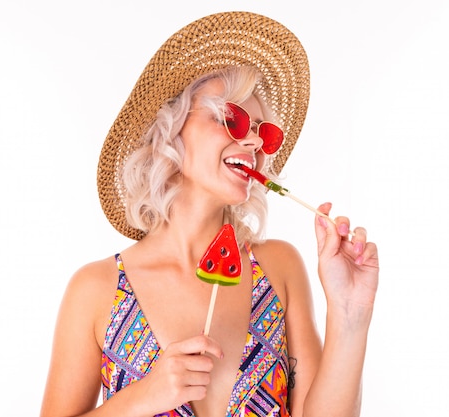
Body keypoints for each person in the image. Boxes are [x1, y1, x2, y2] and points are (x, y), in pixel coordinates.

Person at [40, 11, 379, 417]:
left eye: (262, 131)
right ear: (169, 129)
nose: (253, 140)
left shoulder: (279, 268)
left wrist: (349, 312)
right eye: (230, 119)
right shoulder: (95, 291)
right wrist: (142, 398)